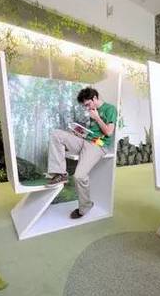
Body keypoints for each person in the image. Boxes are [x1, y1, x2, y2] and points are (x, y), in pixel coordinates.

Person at [46, 87, 117, 219]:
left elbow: (108, 132)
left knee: (79, 176)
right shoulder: (92, 110)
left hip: (98, 146)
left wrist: (97, 118)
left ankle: (86, 206)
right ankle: (60, 173)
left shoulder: (110, 109)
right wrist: (79, 133)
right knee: (56, 134)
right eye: (85, 106)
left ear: (95, 98)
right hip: (85, 140)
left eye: (88, 104)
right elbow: (93, 132)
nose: (87, 108)